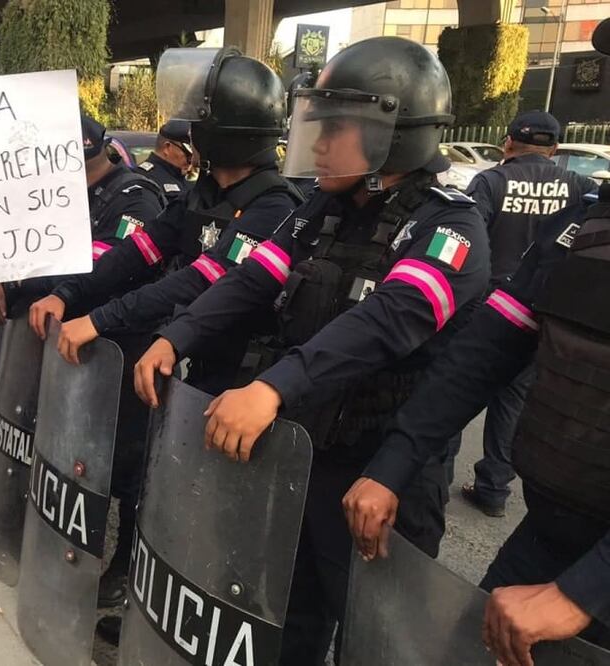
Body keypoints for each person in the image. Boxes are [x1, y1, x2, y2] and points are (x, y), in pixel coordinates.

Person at [132, 37, 491, 663]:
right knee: (288, 615)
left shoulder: (450, 227)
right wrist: (176, 334)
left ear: (395, 134)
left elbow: (385, 320)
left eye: (336, 129)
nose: (318, 144)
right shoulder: (323, 209)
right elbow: (251, 276)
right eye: (316, 127)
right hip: (308, 454)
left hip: (384, 472)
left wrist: (272, 387)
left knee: (377, 637)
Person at [34, 49, 301, 617]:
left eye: (203, 115)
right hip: (192, 368)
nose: (190, 126)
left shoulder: (274, 207)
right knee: (163, 480)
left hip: (244, 379)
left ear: (228, 130)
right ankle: (141, 583)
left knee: (227, 517)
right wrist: (69, 293)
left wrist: (101, 320)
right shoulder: (204, 195)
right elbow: (140, 251)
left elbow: (200, 282)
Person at [344, 186, 610, 661]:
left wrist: (586, 591)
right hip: (547, 540)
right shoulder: (583, 227)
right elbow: (483, 355)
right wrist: (391, 466)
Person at [453, 110, 596, 517]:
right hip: (543, 310)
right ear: (554, 149)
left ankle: (431, 477)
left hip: (487, 306)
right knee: (512, 401)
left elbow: (469, 240)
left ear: (508, 143)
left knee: (457, 388)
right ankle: (494, 489)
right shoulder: (580, 187)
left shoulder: (491, 181)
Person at [0, 113, 165, 325]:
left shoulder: (136, 200)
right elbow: (21, 241)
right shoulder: (57, 194)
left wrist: (17, 282)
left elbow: (100, 270)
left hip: (110, 342)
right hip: (51, 337)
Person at [133, 119, 192, 204]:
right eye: (188, 155)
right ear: (167, 148)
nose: (191, 160)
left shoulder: (184, 179)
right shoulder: (144, 181)